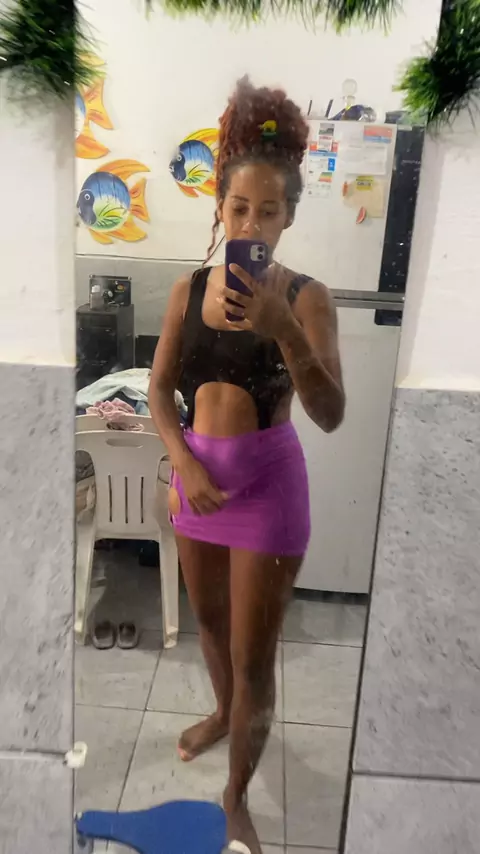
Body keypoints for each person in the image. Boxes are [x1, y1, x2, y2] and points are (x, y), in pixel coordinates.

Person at [149, 77, 345, 854]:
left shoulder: (309, 298)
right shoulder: (187, 289)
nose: (250, 224)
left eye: (268, 212)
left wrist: (282, 328)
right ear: (220, 207)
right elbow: (159, 391)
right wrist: (181, 460)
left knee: (253, 655)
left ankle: (235, 796)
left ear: (287, 217)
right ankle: (223, 713)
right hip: (195, 482)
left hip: (268, 492)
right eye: (238, 208)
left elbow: (330, 412)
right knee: (208, 626)